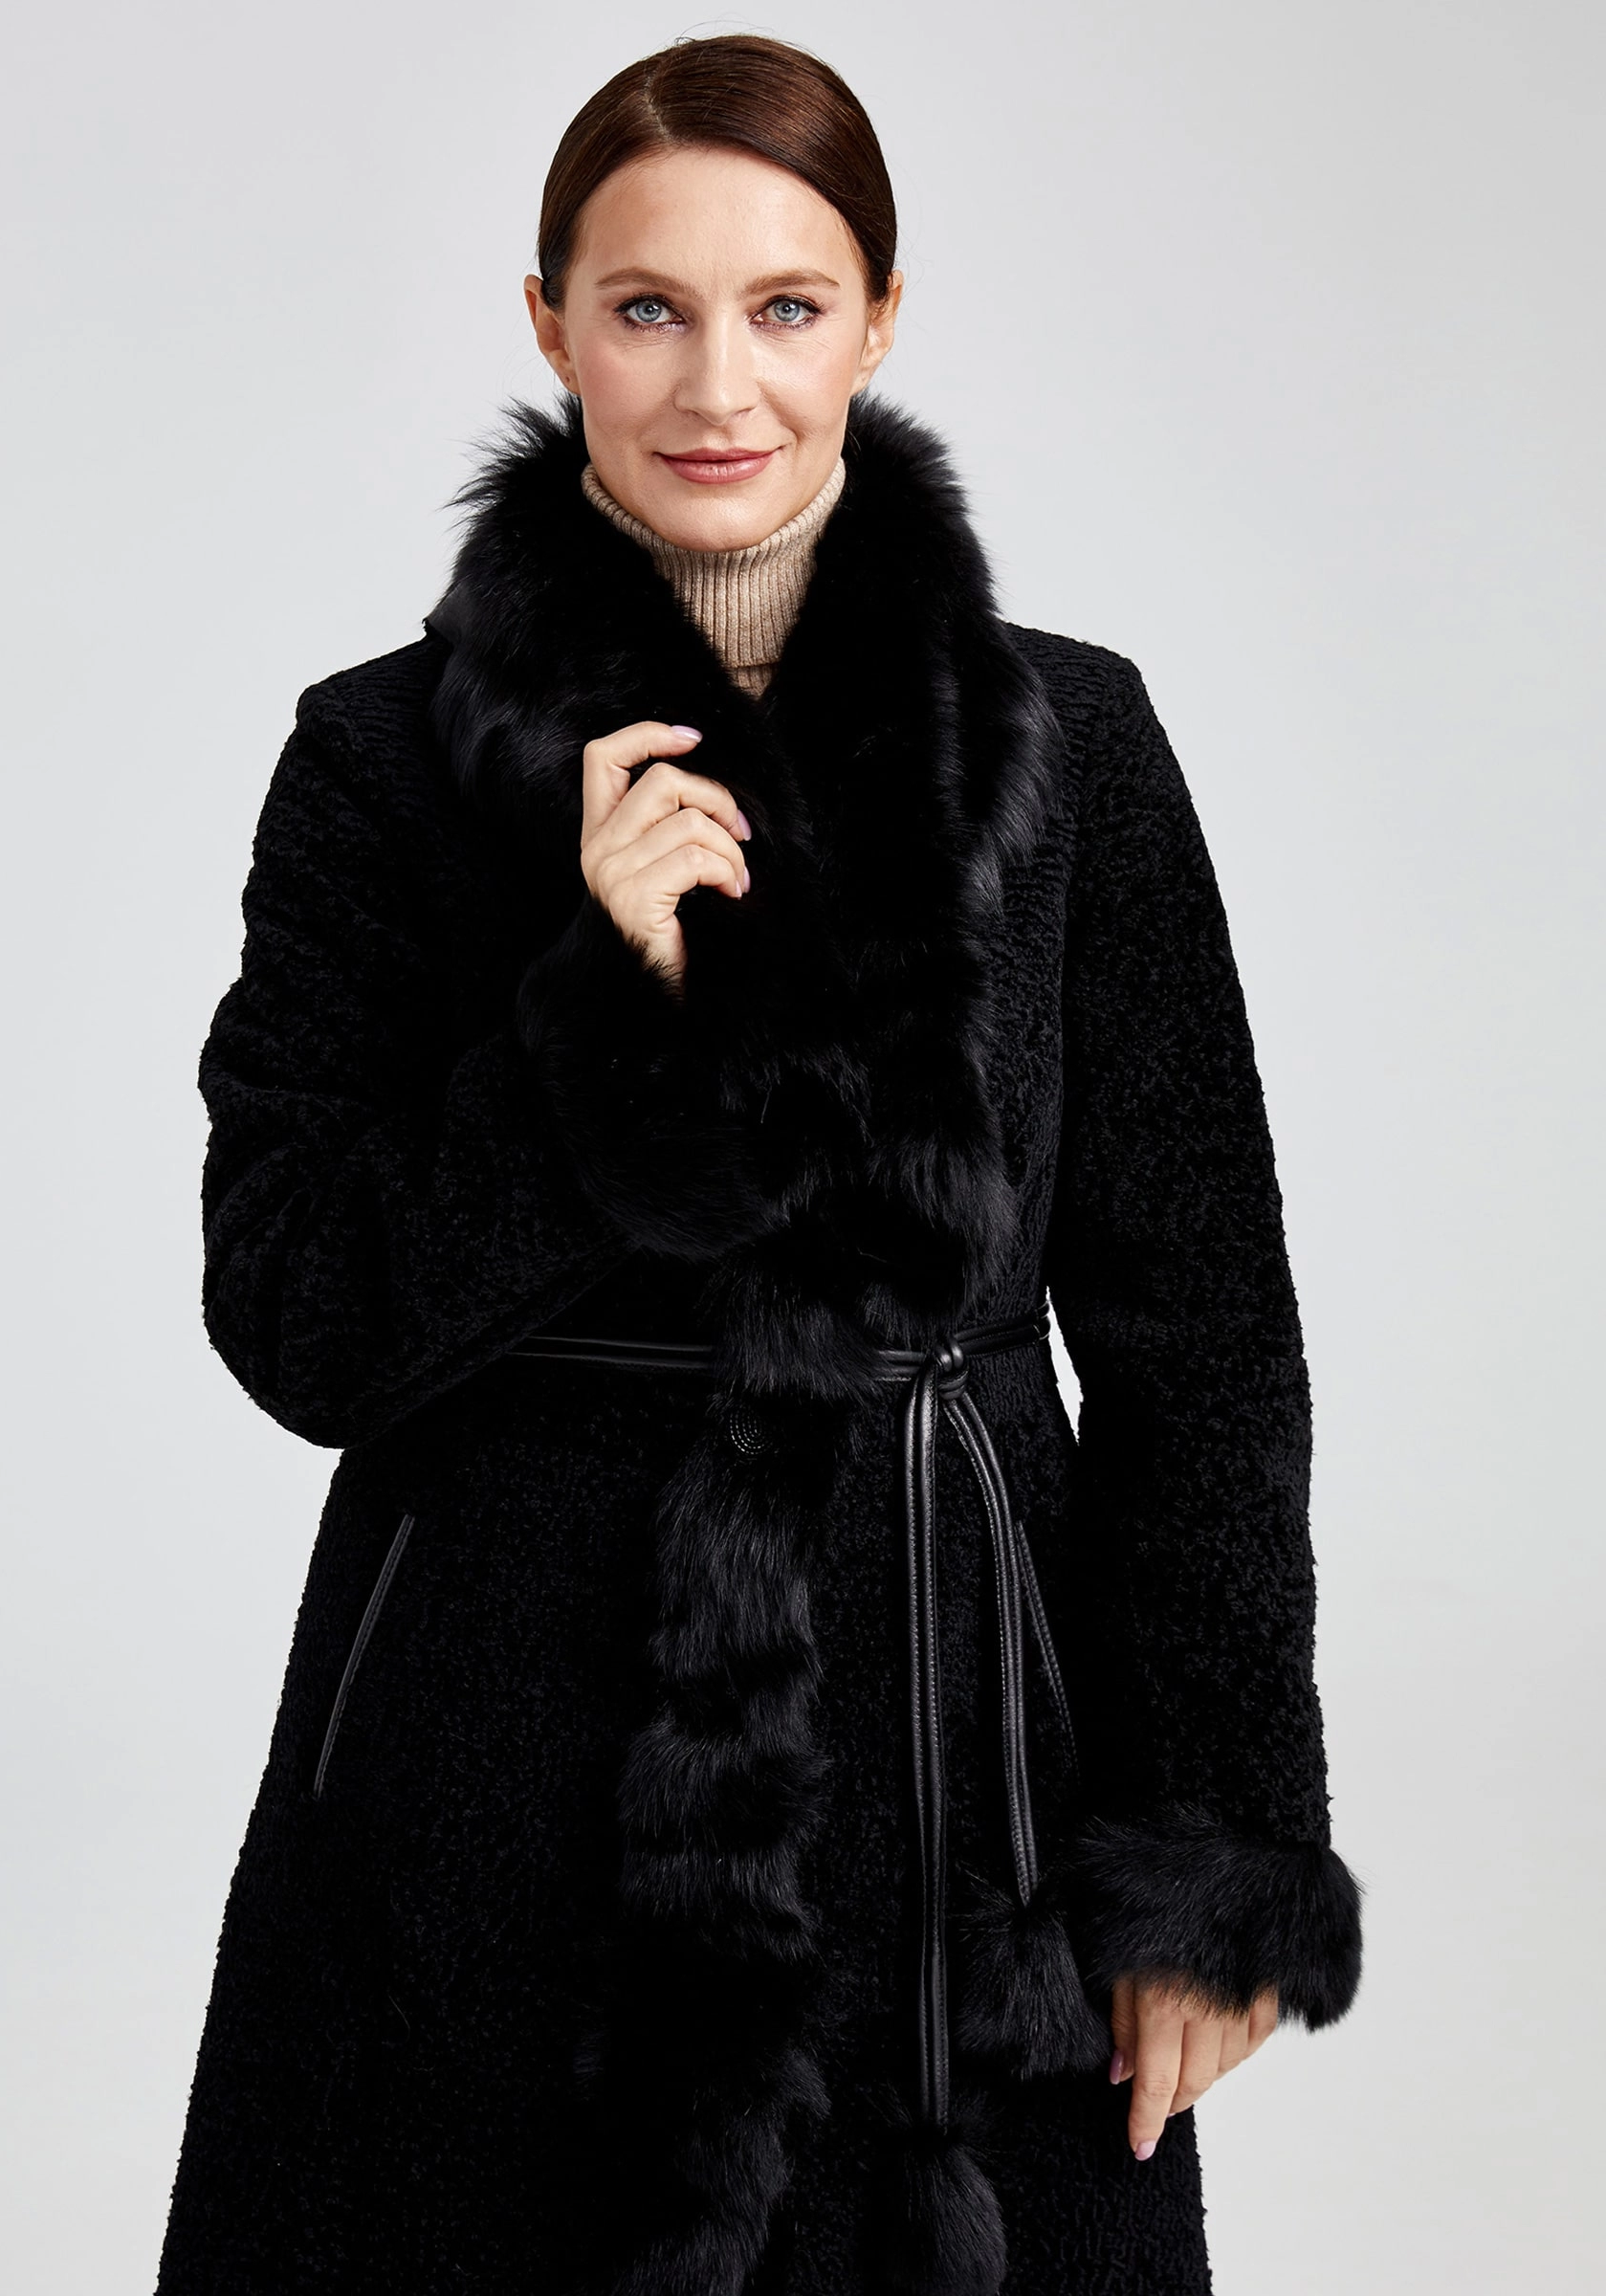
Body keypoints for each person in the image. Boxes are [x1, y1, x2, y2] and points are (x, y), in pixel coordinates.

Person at [156, 33, 1361, 2296]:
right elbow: (300, 1314)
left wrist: (1214, 1852)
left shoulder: (1070, 747)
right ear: (550, 327)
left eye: (786, 305)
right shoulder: (378, 765)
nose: (719, 382)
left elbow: (1201, 1334)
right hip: (492, 1783)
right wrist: (592, 1018)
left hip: (961, 1784)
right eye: (647, 307)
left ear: (879, 321)